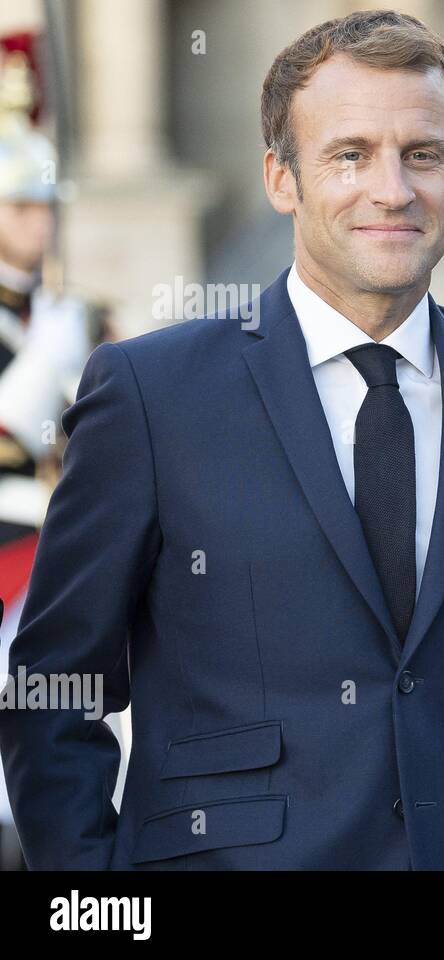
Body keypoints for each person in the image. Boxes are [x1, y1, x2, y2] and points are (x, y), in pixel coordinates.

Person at [0, 10, 444, 869]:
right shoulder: (151, 394)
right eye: (350, 154)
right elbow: (52, 692)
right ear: (281, 178)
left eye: (423, 154)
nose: (392, 189)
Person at [0, 46, 95, 872]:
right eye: (23, 208)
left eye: (45, 208)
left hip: (54, 539)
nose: (41, 222)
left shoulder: (68, 311)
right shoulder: (43, 324)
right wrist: (43, 364)